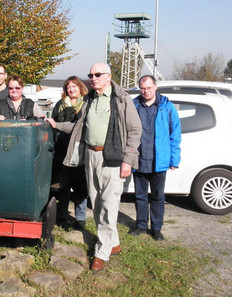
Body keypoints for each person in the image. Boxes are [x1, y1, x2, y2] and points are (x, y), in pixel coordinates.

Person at [53, 63, 141, 272]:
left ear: (108, 76)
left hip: (112, 157)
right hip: (90, 155)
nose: (93, 78)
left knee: (109, 205)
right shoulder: (89, 99)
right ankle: (115, 243)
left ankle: (101, 252)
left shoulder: (121, 99)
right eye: (90, 75)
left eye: (97, 74)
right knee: (99, 203)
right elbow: (78, 127)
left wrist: (127, 161)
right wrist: (57, 125)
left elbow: (135, 130)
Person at [130, 75, 181, 241]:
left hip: (159, 161)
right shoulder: (134, 105)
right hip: (139, 159)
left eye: (149, 88)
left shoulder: (167, 107)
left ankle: (157, 228)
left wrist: (174, 159)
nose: (146, 91)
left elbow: (175, 134)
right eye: (143, 88)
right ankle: (141, 225)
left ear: (156, 86)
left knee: (158, 196)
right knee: (140, 196)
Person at [46, 76, 89, 230]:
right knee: (63, 186)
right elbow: (52, 124)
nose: (71, 89)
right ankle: (62, 215)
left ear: (80, 87)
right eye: (68, 87)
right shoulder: (59, 105)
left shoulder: (86, 104)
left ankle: (80, 218)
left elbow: (78, 127)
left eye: (74, 86)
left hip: (79, 150)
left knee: (80, 187)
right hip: (62, 150)